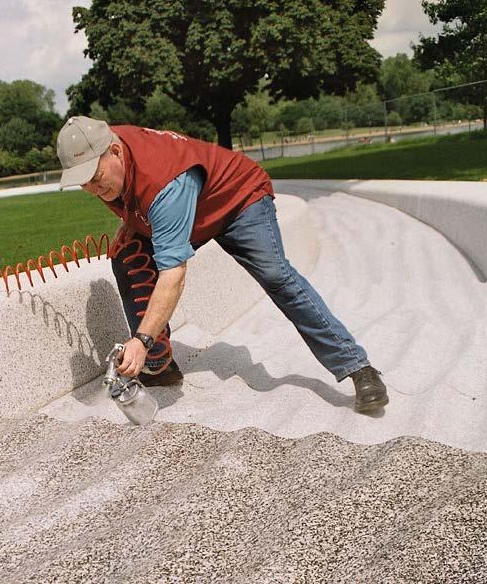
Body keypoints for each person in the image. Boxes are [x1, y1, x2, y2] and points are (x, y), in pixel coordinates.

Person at [56, 116, 388, 413]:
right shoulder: (110, 151)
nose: (92, 189)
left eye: (96, 178)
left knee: (277, 276)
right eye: (82, 182)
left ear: (114, 151)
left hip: (238, 200)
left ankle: (357, 367)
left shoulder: (164, 182)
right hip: (189, 209)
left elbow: (174, 274)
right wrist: (129, 225)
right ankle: (159, 365)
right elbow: (139, 199)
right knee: (128, 258)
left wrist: (139, 341)